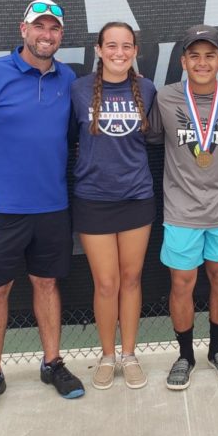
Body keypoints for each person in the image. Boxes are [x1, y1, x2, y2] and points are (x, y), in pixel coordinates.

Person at [0, 0, 85, 417]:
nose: (47, 35)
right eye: (39, 27)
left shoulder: (68, 78)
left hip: (51, 207)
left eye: (54, 29)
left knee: (46, 284)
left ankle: (52, 363)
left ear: (61, 35)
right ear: (23, 30)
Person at [147, 24, 218, 390]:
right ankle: (185, 355)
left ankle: (217, 350)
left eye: (209, 56)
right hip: (182, 211)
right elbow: (155, 137)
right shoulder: (165, 98)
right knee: (182, 283)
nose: (202, 63)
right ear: (183, 60)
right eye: (194, 56)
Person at [71, 22, 156, 390]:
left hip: (137, 197)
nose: (119, 52)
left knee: (132, 279)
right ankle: (107, 355)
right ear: (99, 49)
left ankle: (130, 354)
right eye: (111, 46)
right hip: (94, 199)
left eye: (126, 46)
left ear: (135, 50)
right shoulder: (78, 89)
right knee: (106, 283)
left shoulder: (148, 89)